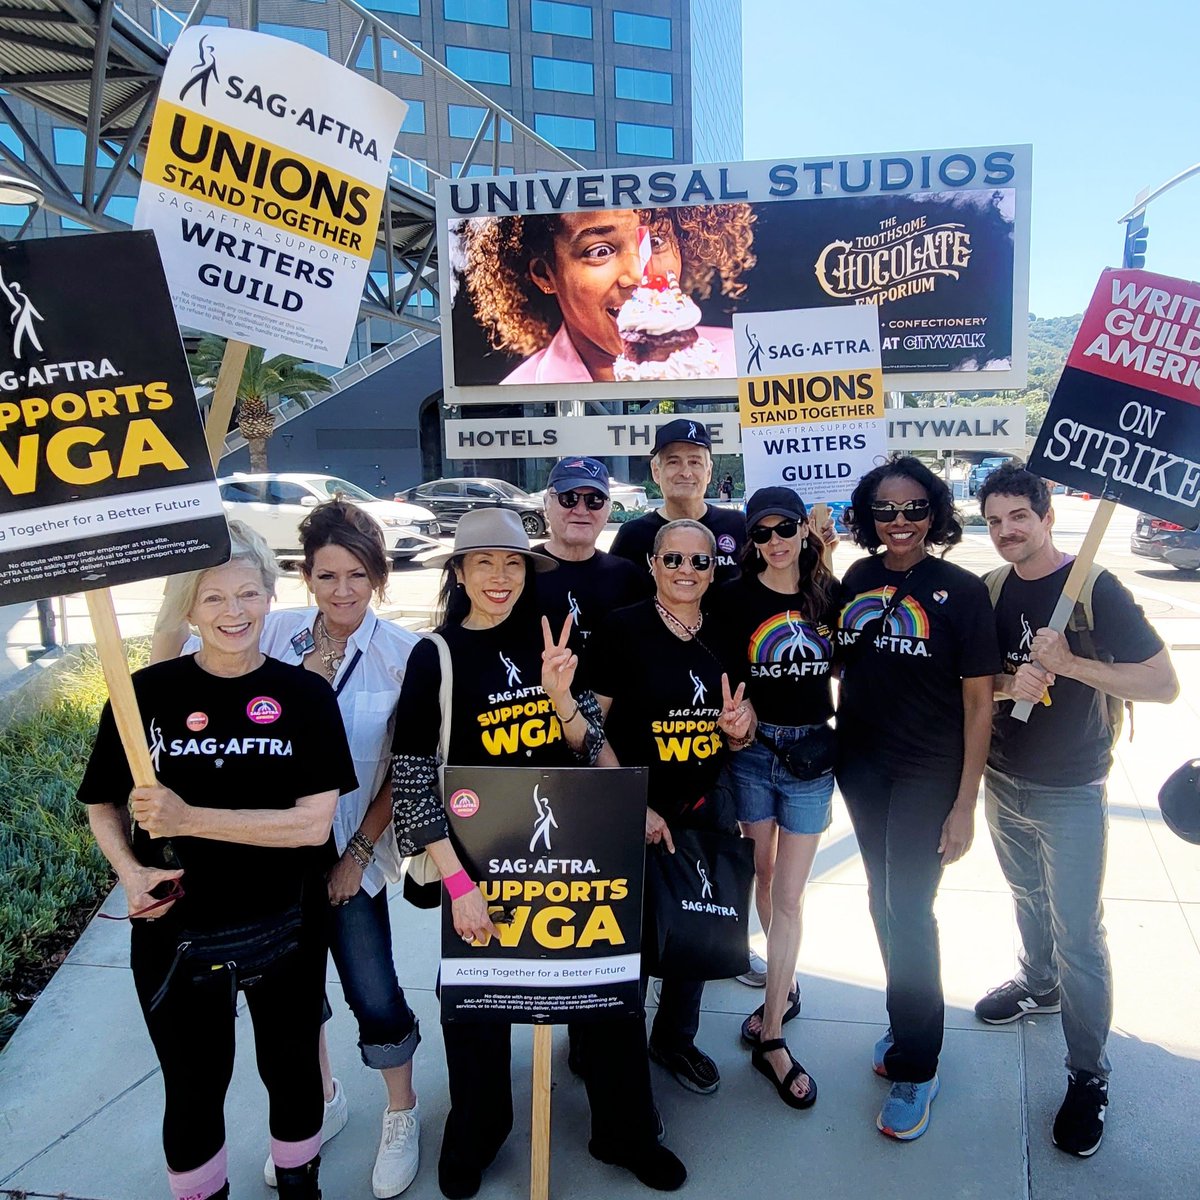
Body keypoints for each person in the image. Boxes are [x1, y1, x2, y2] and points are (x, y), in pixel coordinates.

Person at [390, 507, 686, 1200]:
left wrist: (561, 700)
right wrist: (460, 885)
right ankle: (477, 1134)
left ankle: (626, 1133)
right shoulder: (434, 655)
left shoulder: (552, 638)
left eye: (513, 562)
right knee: (476, 1005)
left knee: (606, 992)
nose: (499, 577)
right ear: (458, 573)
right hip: (481, 858)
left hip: (574, 848)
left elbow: (585, 743)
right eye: (484, 563)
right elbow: (410, 777)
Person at [78, 522, 357, 1200]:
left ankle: (300, 1186)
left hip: (285, 923)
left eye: (248, 595)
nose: (234, 613)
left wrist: (189, 818)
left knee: (291, 1070)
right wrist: (132, 871)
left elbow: (310, 825)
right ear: (188, 608)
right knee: (194, 1085)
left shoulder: (305, 696)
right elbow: (102, 804)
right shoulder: (144, 693)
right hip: (177, 928)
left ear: (270, 597)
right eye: (212, 599)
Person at [156, 502, 425, 1198]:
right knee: (294, 1001)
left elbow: (405, 765)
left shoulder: (404, 655)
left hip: (348, 857)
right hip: (269, 863)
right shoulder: (264, 631)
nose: (342, 591)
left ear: (379, 577)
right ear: (306, 578)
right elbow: (174, 671)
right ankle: (324, 1099)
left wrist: (358, 855)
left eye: (357, 575)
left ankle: (401, 1110)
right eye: (327, 575)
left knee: (375, 990)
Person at [974, 464, 1178, 1157]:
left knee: (1080, 936)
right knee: (1025, 895)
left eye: (1018, 518)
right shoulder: (991, 590)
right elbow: (977, 687)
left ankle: (1088, 1074)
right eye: (995, 521)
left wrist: (1070, 664)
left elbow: (1163, 683)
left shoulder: (1094, 589)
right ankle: (1037, 984)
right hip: (1003, 779)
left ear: (1046, 513)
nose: (1006, 532)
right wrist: (1010, 683)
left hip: (1072, 788)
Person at [836, 456, 1000, 1142]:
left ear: (933, 513)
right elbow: (839, 659)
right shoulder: (857, 577)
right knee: (882, 901)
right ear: (868, 517)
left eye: (912, 509)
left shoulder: (961, 591)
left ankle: (919, 1061)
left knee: (910, 909)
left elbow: (979, 703)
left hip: (928, 772)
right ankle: (909, 1023)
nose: (898, 522)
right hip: (862, 767)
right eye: (884, 510)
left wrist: (965, 804)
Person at [587, 519, 756, 1099]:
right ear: (654, 565)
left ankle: (676, 1039)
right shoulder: (620, 630)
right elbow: (585, 729)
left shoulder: (729, 632)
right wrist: (630, 802)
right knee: (624, 938)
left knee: (697, 933)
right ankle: (613, 1044)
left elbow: (743, 721)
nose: (687, 571)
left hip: (704, 805)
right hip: (632, 808)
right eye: (674, 560)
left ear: (715, 569)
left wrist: (740, 728)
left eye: (700, 562)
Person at [708, 488, 841, 1108]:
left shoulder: (825, 594)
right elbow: (722, 676)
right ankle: (781, 983)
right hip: (755, 755)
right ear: (751, 542)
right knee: (761, 874)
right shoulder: (734, 598)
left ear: (801, 530)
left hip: (811, 756)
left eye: (785, 527)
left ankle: (773, 1034)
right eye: (760, 533)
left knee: (789, 893)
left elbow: (848, 663)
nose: (774, 541)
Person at [457, 206, 755, 384]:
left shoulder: (742, 361)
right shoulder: (518, 391)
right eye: (600, 251)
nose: (638, 275)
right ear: (545, 274)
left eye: (657, 240)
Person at [610, 419, 746, 585]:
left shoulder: (738, 527)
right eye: (673, 462)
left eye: (694, 462)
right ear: (656, 471)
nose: (686, 473)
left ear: (708, 472)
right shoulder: (632, 537)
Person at [535, 455, 645, 651]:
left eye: (594, 500)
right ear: (546, 503)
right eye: (568, 498)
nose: (581, 510)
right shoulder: (521, 570)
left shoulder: (629, 577)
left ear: (608, 509)